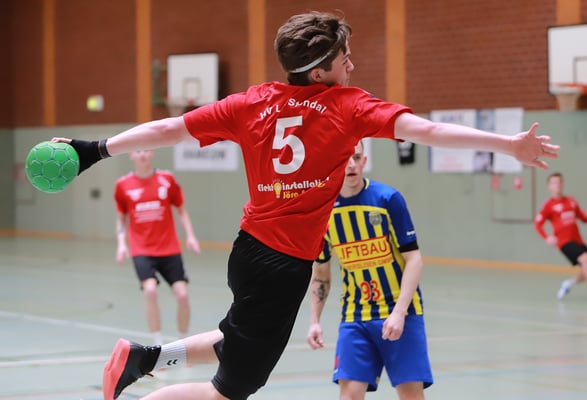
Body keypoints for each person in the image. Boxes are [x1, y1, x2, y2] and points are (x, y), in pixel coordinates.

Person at [52, 11, 558, 400]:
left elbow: (167, 129)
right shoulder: (349, 107)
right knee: (230, 391)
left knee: (239, 338)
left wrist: (95, 150)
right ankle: (144, 380)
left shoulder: (251, 102)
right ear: (319, 72)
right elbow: (427, 131)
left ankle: (145, 358)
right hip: (282, 264)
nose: (351, 64)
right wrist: (507, 145)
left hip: (248, 251)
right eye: (344, 57)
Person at [307, 140, 433, 399]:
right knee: (350, 395)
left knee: (411, 395)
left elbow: (414, 259)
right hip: (355, 316)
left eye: (356, 157)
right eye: (344, 157)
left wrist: (399, 313)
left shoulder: (387, 199)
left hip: (401, 312)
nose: (350, 164)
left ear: (364, 161)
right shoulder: (323, 211)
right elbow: (321, 271)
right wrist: (314, 321)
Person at [114, 149, 201, 345]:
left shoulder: (167, 179)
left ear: (152, 152)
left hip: (169, 248)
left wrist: (191, 236)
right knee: (150, 290)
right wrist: (121, 244)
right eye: (137, 150)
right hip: (142, 250)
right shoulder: (123, 185)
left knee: (182, 295)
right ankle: (158, 343)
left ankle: (182, 343)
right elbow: (121, 218)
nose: (142, 154)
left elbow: (181, 210)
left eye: (146, 149)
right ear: (131, 155)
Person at [535, 172, 587, 300]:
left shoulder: (571, 201)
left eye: (559, 182)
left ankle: (568, 284)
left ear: (562, 184)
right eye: (554, 183)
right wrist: (546, 237)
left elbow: (583, 217)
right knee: (586, 260)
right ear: (549, 186)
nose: (557, 185)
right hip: (565, 242)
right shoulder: (548, 205)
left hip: (578, 241)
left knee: (585, 268)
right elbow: (538, 224)